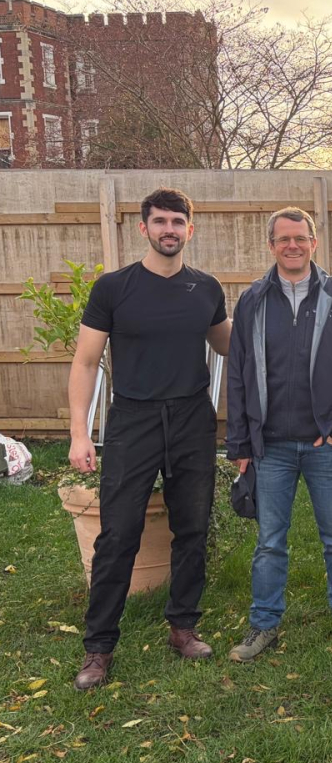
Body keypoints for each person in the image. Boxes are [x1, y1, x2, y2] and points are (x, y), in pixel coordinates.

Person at [68, 187, 231, 691]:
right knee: (117, 533)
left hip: (190, 418)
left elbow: (234, 347)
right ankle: (99, 647)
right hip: (133, 419)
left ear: (189, 229)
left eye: (177, 222)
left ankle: (183, 627)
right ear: (143, 228)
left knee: (193, 528)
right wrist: (79, 434)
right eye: (159, 221)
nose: (168, 230)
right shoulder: (114, 288)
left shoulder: (205, 289)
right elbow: (86, 362)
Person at [226, 207, 332, 661]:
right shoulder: (252, 300)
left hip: (324, 445)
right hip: (270, 447)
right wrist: (240, 443)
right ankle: (263, 624)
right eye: (283, 238)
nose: (293, 245)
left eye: (300, 237)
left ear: (315, 242)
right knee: (270, 541)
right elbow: (238, 375)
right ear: (271, 245)